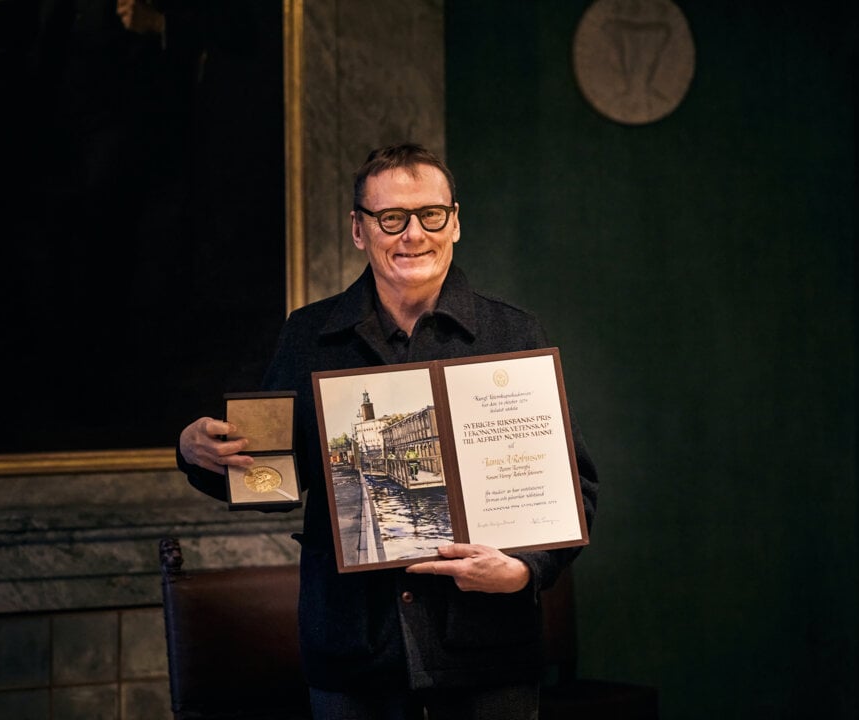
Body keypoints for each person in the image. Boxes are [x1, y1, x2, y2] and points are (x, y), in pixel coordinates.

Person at [177, 143, 598, 719]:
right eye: (391, 218)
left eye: (431, 215)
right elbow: (270, 479)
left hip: (487, 652)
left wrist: (525, 569)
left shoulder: (513, 333)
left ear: (455, 222)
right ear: (359, 229)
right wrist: (197, 452)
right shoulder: (308, 336)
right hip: (353, 652)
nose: (413, 236)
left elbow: (573, 487)